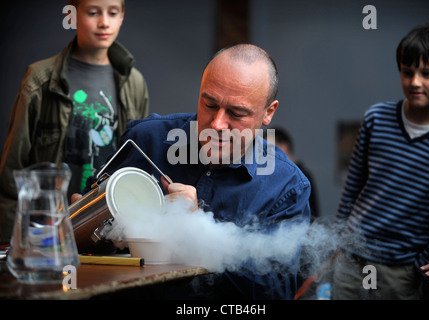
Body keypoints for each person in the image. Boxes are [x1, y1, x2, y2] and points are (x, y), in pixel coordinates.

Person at [75, 43, 311, 300]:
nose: (217, 124)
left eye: (237, 113)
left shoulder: (286, 187)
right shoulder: (145, 140)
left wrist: (196, 231)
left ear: (268, 113)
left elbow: (275, 293)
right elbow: (82, 241)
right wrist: (84, 223)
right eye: (209, 105)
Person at [0, 0, 149, 244]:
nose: (104, 22)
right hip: (46, 233)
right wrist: (10, 246)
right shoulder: (40, 80)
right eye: (93, 12)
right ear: (72, 15)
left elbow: (133, 164)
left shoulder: (134, 82)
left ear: (122, 16)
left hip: (106, 232)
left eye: (113, 13)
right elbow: (11, 176)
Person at [332, 23, 429, 299]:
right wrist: (337, 240)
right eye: (407, 73)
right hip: (352, 257)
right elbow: (353, 186)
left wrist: (423, 262)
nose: (415, 82)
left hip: (404, 269)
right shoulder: (376, 117)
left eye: (427, 73)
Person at [265, 127, 320, 221]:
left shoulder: (301, 176)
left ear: (284, 146)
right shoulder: (275, 173)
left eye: (268, 149)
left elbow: (311, 215)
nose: (266, 155)